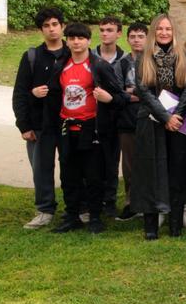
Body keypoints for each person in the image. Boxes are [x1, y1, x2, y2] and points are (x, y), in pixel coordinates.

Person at [48, 23, 127, 234]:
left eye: (80, 38)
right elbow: (55, 96)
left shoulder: (98, 66)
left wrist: (109, 99)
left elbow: (121, 97)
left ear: (88, 41)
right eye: (72, 38)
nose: (76, 42)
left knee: (93, 175)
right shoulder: (61, 66)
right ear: (68, 41)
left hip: (91, 128)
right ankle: (72, 215)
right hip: (67, 126)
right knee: (68, 175)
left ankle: (94, 217)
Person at [133, 14, 186, 240]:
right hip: (151, 122)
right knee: (150, 173)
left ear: (174, 32)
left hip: (177, 124)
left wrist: (176, 116)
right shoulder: (144, 58)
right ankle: (151, 225)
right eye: (159, 29)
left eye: (168, 29)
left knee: (177, 173)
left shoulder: (185, 57)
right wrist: (165, 117)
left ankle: (175, 225)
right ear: (154, 32)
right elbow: (143, 91)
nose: (163, 32)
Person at [13, 7, 68, 230]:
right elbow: (19, 93)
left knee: (72, 167)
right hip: (39, 125)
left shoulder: (74, 53)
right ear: (41, 30)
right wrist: (24, 125)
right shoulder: (32, 56)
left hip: (68, 123)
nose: (51, 29)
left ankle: (76, 208)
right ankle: (45, 210)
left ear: (62, 26)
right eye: (46, 26)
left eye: (55, 24)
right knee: (41, 169)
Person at [95, 16, 132, 218]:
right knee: (96, 162)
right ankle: (94, 201)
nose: (105, 34)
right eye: (102, 30)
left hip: (120, 118)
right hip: (95, 119)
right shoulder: (90, 57)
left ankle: (112, 202)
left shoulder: (126, 60)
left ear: (118, 33)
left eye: (109, 30)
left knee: (114, 163)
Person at [115, 22, 147, 221]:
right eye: (133, 36)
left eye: (140, 36)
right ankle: (131, 202)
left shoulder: (153, 61)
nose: (136, 40)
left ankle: (150, 201)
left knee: (151, 161)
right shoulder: (122, 63)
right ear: (127, 39)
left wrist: (134, 92)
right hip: (127, 120)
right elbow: (118, 91)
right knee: (129, 164)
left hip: (150, 117)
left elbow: (156, 90)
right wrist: (138, 94)